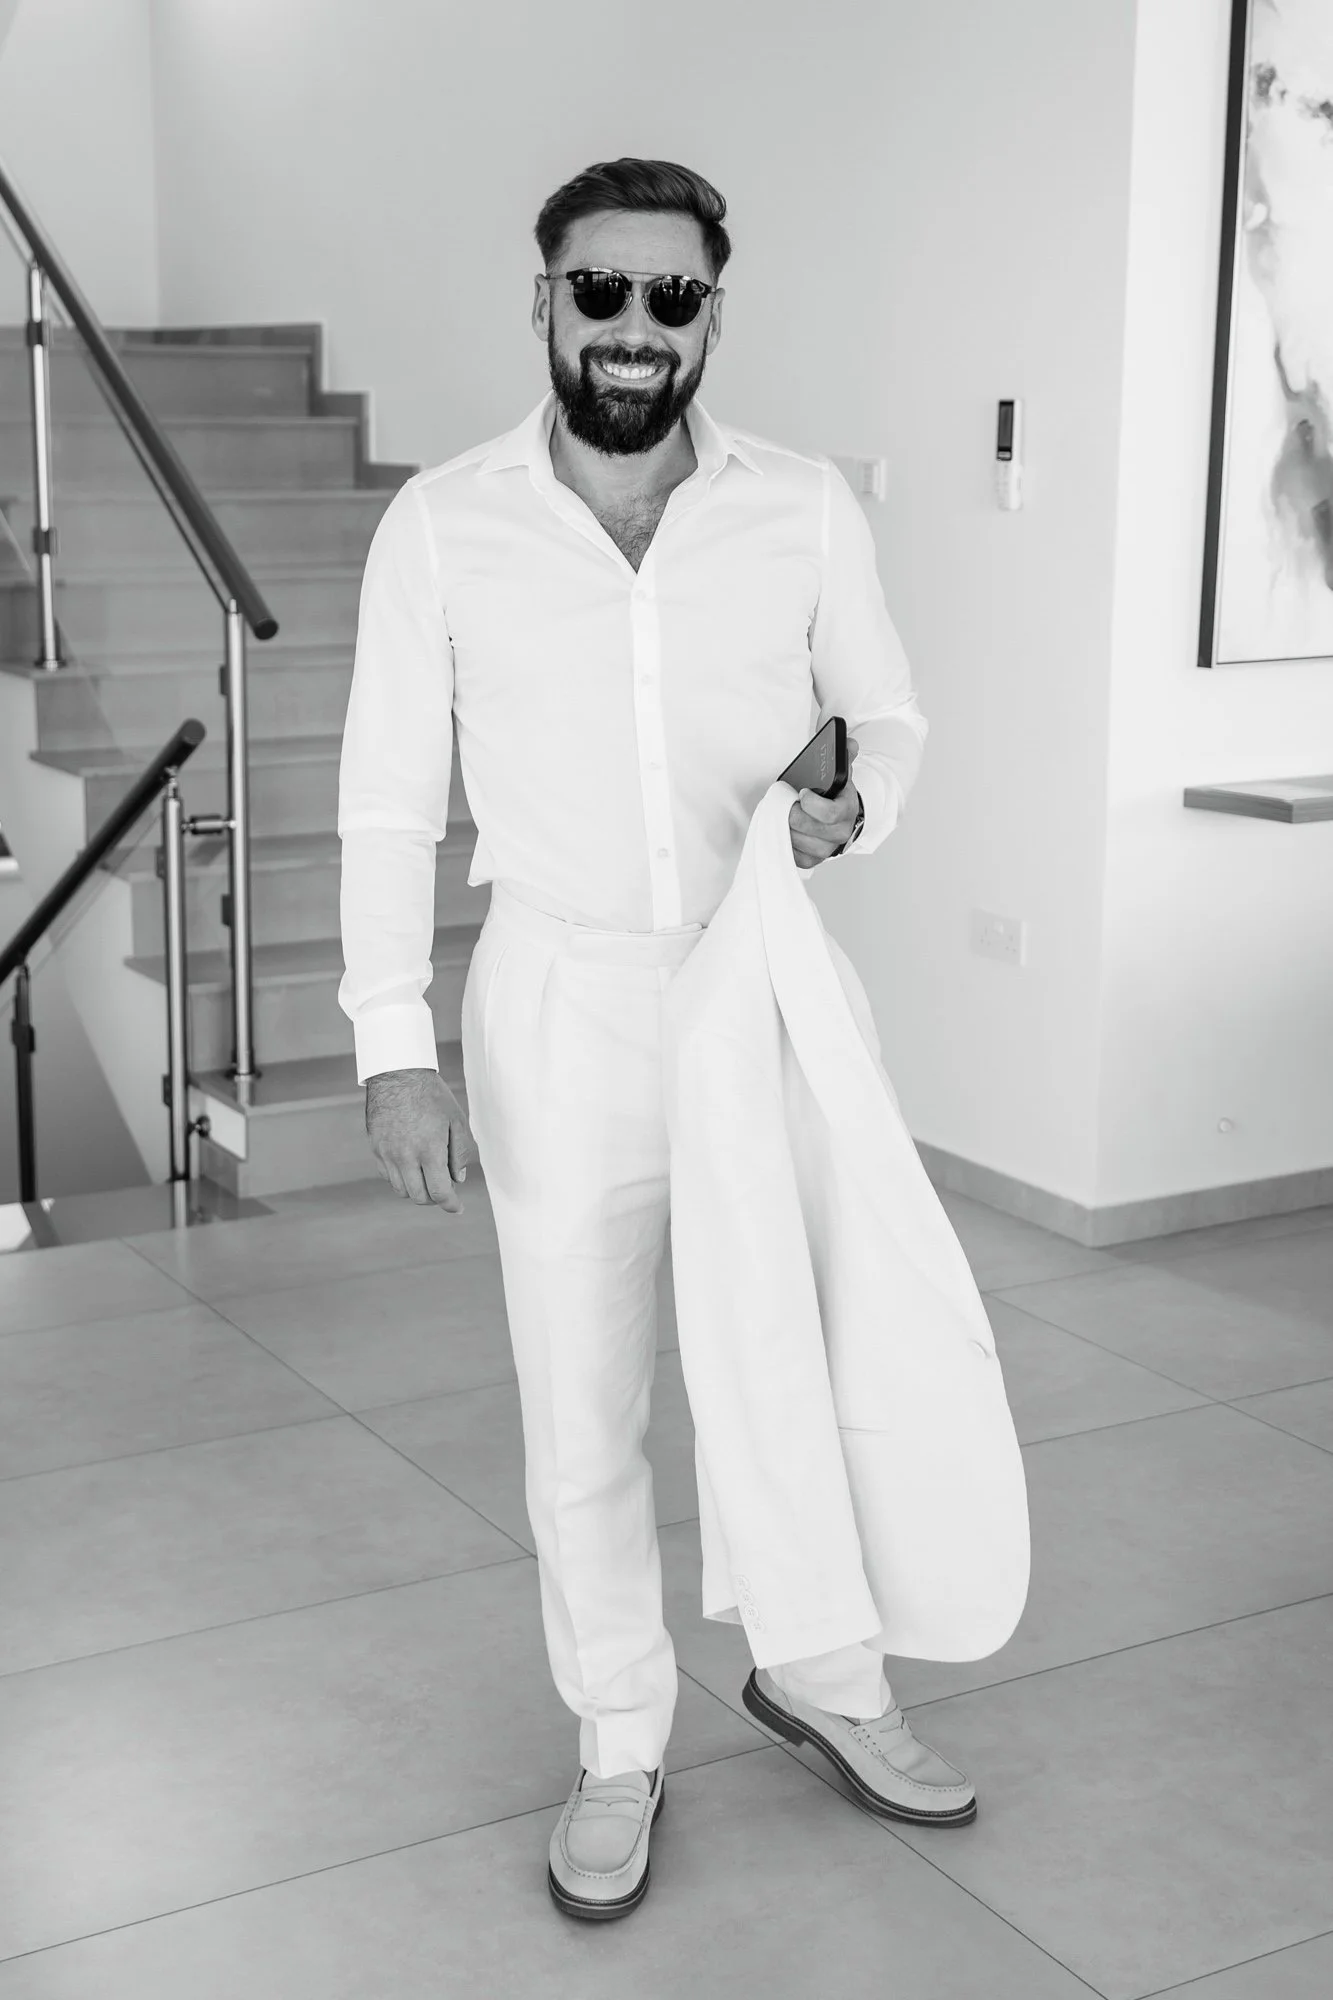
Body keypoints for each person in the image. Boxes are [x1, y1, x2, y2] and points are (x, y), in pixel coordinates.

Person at [337, 157, 971, 1924]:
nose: (635, 325)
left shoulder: (803, 509)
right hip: (559, 997)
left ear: (712, 315)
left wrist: (857, 799)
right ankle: (619, 1739)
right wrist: (392, 1043)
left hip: (760, 979)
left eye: (671, 295)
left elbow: (890, 719)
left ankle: (826, 1676)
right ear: (544, 303)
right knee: (584, 1407)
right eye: (599, 291)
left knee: (804, 1362)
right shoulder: (442, 526)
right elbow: (387, 803)